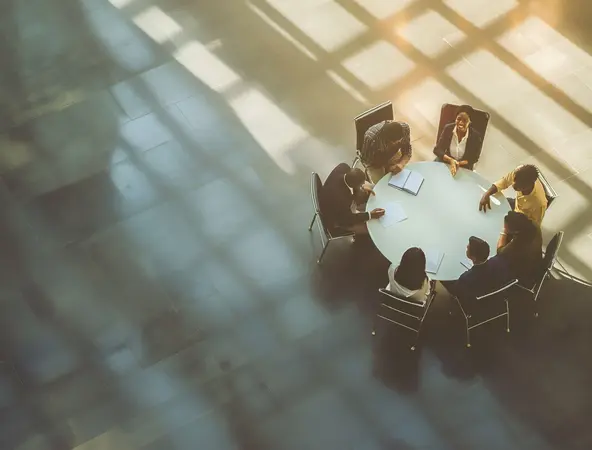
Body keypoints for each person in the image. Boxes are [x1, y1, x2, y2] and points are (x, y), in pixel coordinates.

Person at [320, 163, 385, 235]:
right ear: (353, 185)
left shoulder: (343, 167)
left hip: (334, 199)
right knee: (371, 228)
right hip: (335, 219)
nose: (362, 185)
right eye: (360, 185)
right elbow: (348, 218)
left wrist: (362, 187)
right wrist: (370, 215)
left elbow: (355, 185)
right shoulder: (342, 199)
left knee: (370, 186)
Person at [444, 236, 511, 302]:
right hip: (498, 300)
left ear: (474, 258)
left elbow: (455, 290)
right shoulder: (498, 261)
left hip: (477, 306)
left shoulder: (466, 278)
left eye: (468, 248)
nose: (467, 247)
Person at [479, 164, 547, 227]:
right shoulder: (519, 172)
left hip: (523, 219)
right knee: (493, 208)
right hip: (516, 204)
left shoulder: (539, 203)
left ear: (529, 185)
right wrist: (487, 194)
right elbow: (504, 182)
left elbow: (534, 225)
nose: (514, 185)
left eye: (519, 185)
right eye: (515, 180)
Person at [433, 105, 483, 174]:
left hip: (464, 167)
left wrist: (458, 163)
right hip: (446, 163)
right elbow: (437, 150)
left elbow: (474, 158)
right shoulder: (448, 129)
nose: (461, 123)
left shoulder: (475, 137)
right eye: (459, 119)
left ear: (470, 122)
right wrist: (451, 160)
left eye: (465, 120)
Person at [497, 211, 543, 285]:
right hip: (536, 263)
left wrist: (504, 232)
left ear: (515, 231)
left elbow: (500, 252)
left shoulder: (519, 244)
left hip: (526, 275)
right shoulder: (534, 225)